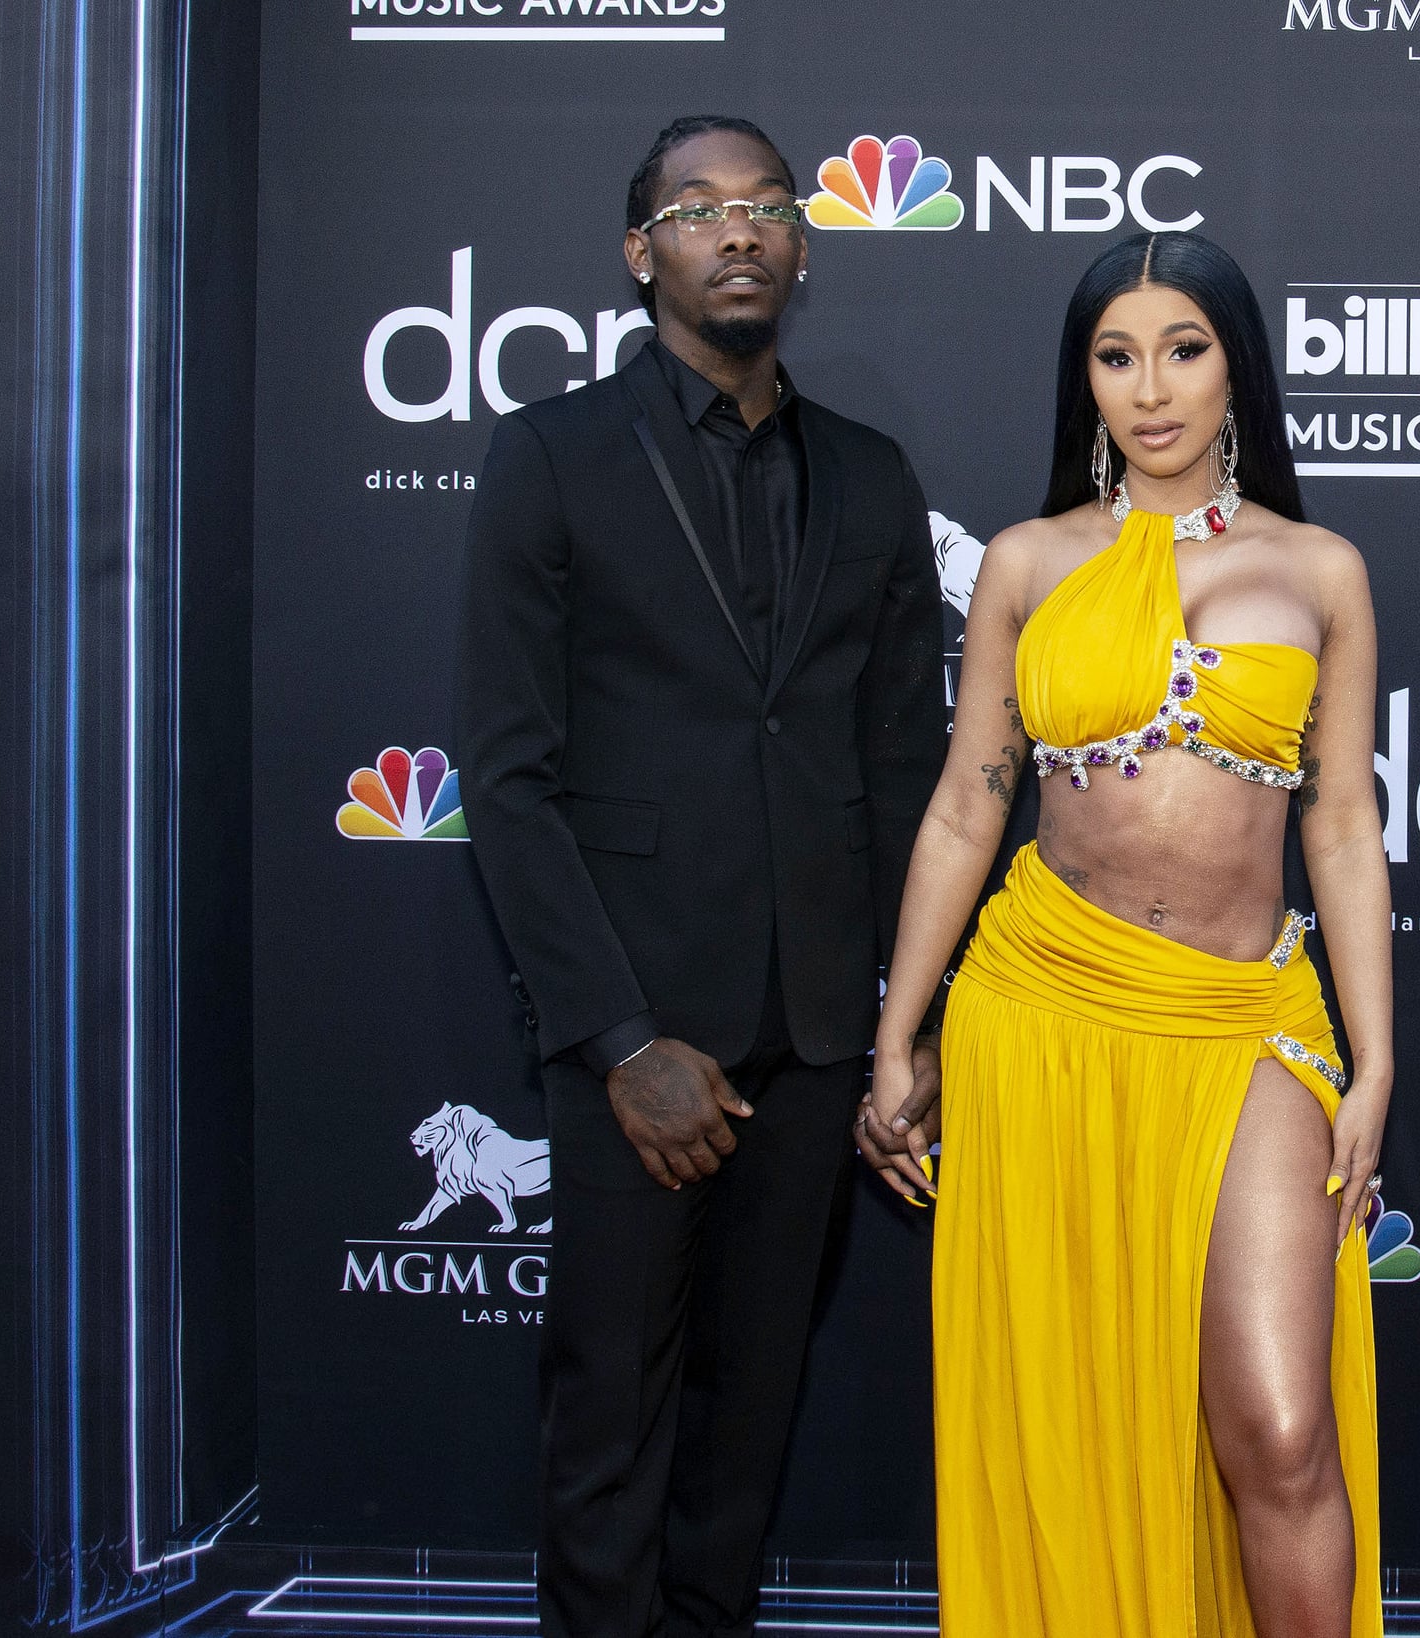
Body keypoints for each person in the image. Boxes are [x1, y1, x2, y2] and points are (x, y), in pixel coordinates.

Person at [457, 115, 948, 1638]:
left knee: (746, 1437)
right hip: (635, 1044)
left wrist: (896, 1029)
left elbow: (900, 778)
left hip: (811, 1046)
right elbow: (509, 778)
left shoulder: (872, 478)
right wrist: (614, 1040)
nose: (737, 231)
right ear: (641, 252)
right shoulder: (548, 455)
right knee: (610, 1421)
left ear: (801, 247)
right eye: (698, 208)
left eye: (767, 207)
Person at [860, 232, 1392, 1638]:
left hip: (1244, 1016)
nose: (1150, 389)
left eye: (1183, 349)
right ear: (1082, 380)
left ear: (1237, 367)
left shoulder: (1322, 568)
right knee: (1074, 1417)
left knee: (1281, 1427)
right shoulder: (1029, 563)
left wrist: (1378, 1063)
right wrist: (898, 1033)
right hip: (1041, 1004)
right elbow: (968, 807)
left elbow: (1340, 824)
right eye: (1114, 356)